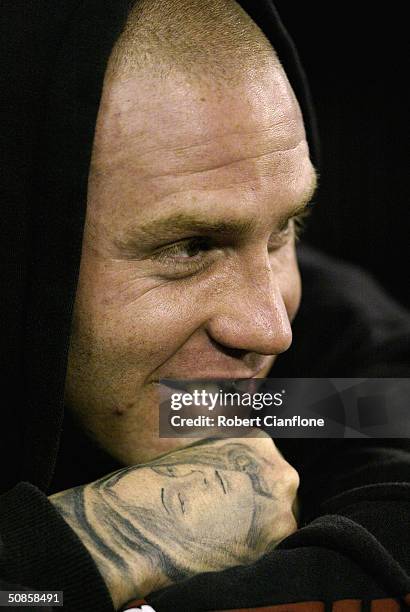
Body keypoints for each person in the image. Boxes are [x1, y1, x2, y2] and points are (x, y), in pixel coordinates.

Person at [0, 1, 409, 611]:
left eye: (284, 230)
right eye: (191, 248)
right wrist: (105, 540)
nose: (270, 330)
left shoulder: (324, 358)